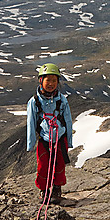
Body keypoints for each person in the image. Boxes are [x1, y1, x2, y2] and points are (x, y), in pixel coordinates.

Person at [27, 63, 73, 204]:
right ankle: (44, 190)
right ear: (41, 81)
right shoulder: (34, 102)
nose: (51, 84)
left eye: (54, 80)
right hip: (44, 140)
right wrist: (31, 143)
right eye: (48, 80)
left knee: (59, 165)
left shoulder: (62, 100)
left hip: (60, 139)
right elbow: (31, 122)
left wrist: (69, 141)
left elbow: (68, 121)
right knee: (43, 166)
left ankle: (57, 189)